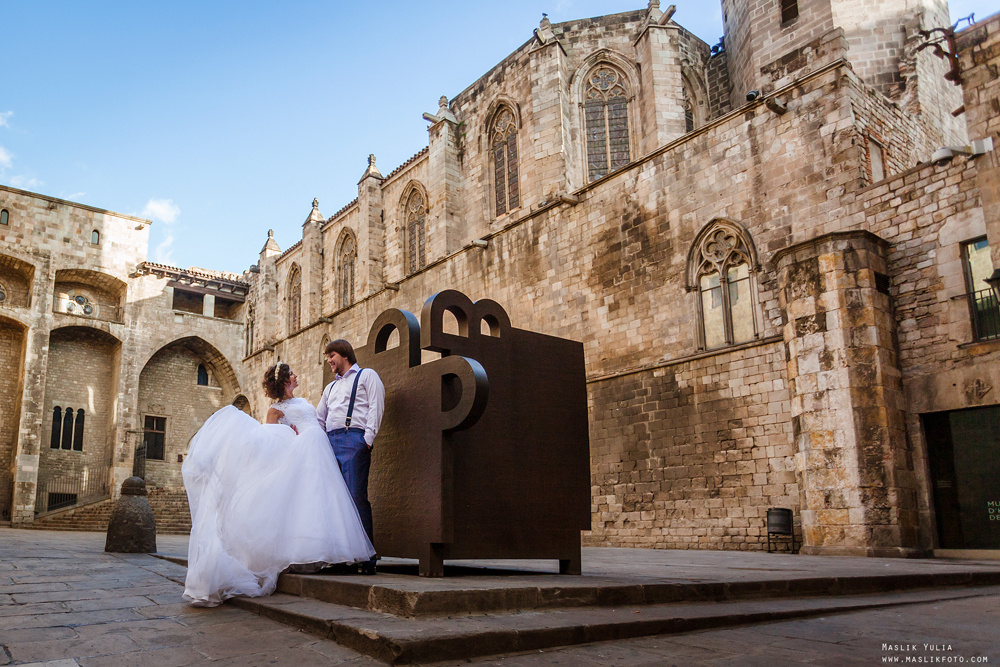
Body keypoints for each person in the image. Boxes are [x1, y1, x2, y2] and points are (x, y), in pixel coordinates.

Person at [181, 362, 375, 607]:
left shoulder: (303, 401)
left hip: (319, 451)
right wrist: (291, 435)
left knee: (322, 501)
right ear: (284, 380)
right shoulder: (275, 409)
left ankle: (331, 553)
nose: (296, 375)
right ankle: (304, 553)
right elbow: (268, 440)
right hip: (304, 452)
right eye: (292, 373)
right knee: (305, 501)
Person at [317, 339, 385, 575]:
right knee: (335, 501)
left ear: (344, 354)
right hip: (330, 442)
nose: (329, 361)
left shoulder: (367, 376)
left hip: (354, 439)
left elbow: (376, 407)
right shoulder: (330, 388)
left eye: (331, 355)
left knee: (356, 495)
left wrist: (366, 440)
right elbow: (319, 418)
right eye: (327, 357)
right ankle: (339, 556)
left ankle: (367, 557)